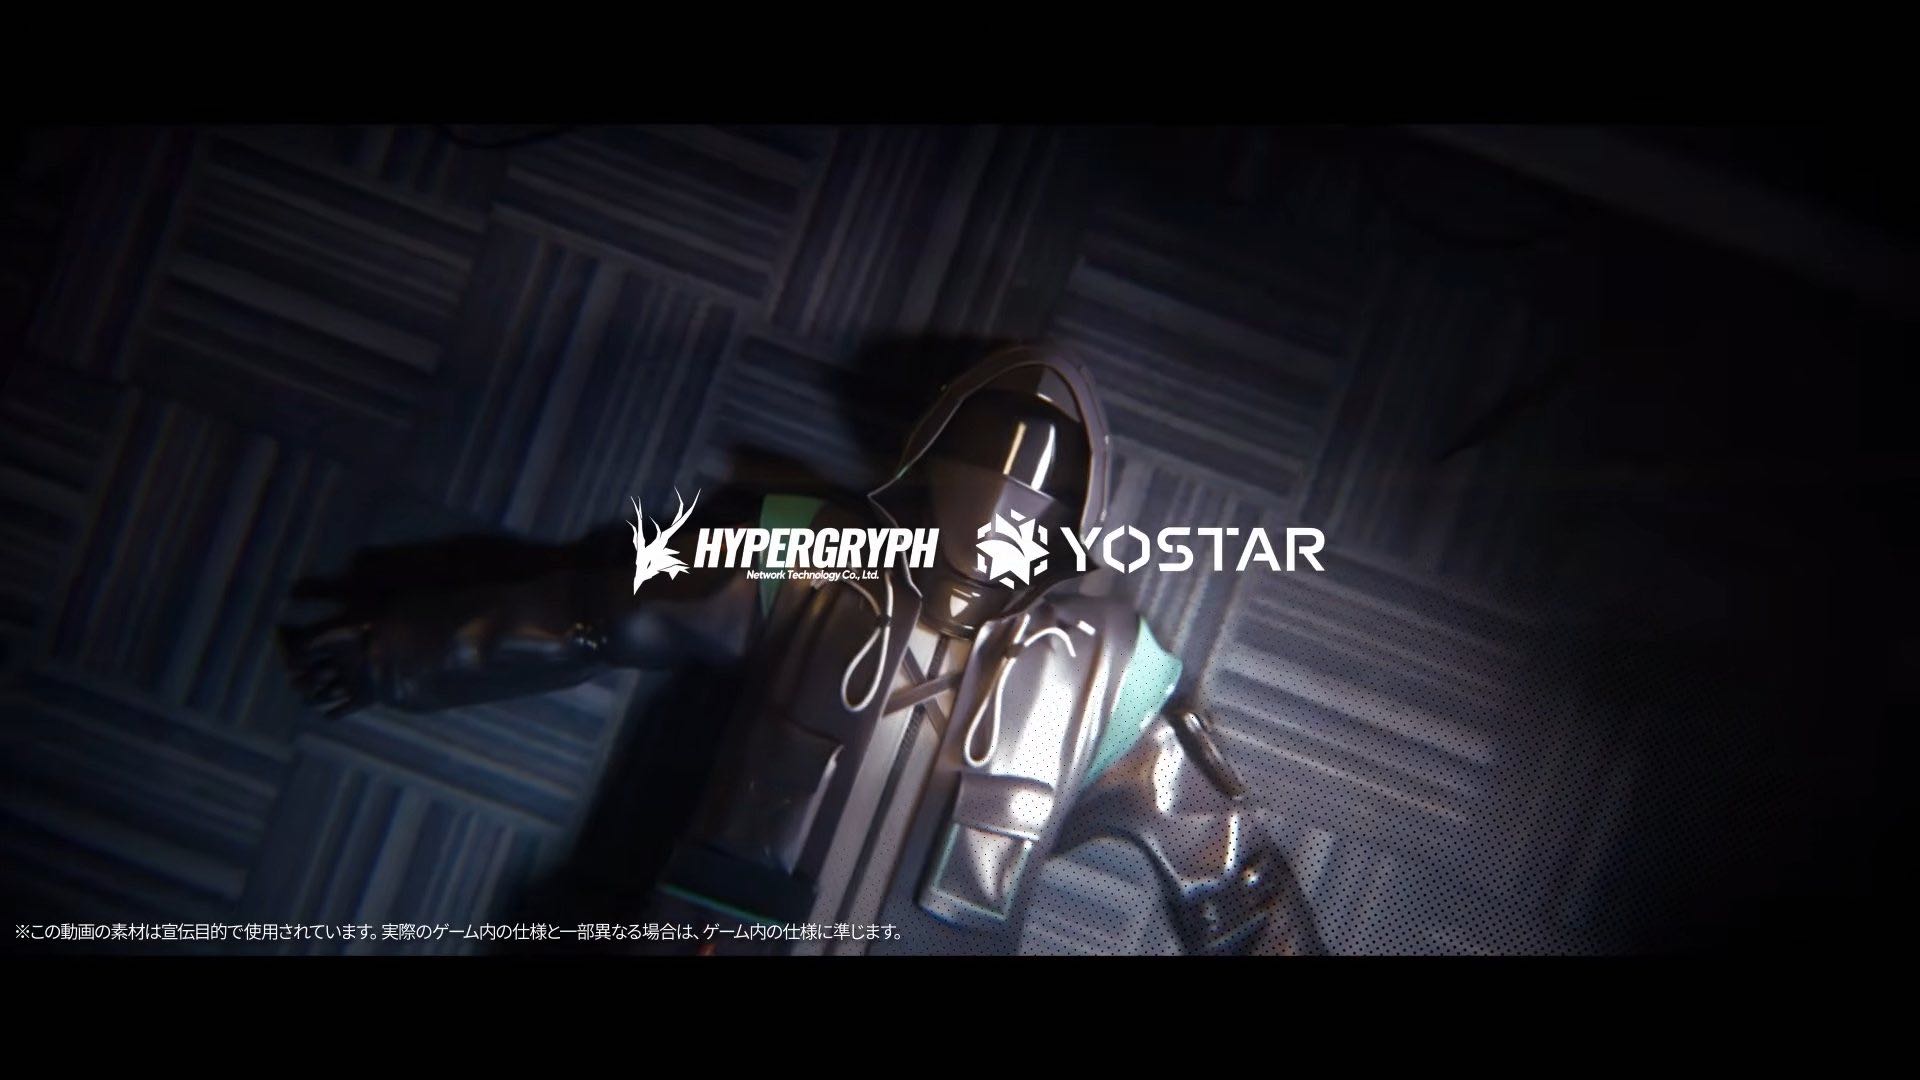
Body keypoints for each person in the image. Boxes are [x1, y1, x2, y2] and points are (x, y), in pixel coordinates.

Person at [284, 342, 1325, 956]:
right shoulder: (804, 557)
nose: (995, 524)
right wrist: (404, 651)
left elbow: (1235, 879)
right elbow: (601, 611)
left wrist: (399, 652)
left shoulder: (1118, 675)